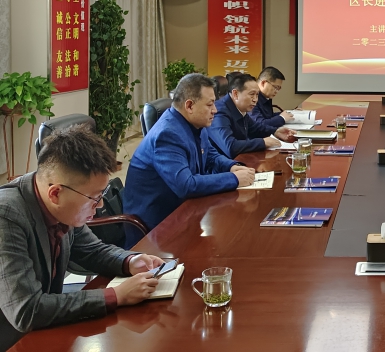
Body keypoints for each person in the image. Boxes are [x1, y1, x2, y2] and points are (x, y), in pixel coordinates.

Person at [0, 126, 166, 349]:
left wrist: (130, 261)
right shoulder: (6, 216)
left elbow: (92, 250)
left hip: (45, 330)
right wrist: (115, 295)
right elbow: (26, 310)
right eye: (94, 198)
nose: (100, 206)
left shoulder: (62, 206)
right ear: (55, 193)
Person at [124, 73, 255, 245]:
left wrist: (231, 166)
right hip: (156, 230)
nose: (215, 110)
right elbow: (185, 185)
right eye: (209, 104)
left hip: (183, 213)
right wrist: (234, 179)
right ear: (189, 105)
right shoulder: (167, 134)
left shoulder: (195, 123)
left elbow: (210, 155)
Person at [210, 72, 295, 159]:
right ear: (235, 94)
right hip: (222, 164)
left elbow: (255, 128)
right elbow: (230, 146)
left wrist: (276, 131)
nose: (255, 100)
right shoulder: (219, 112)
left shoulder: (239, 108)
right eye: (252, 94)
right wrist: (263, 142)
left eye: (257, 95)